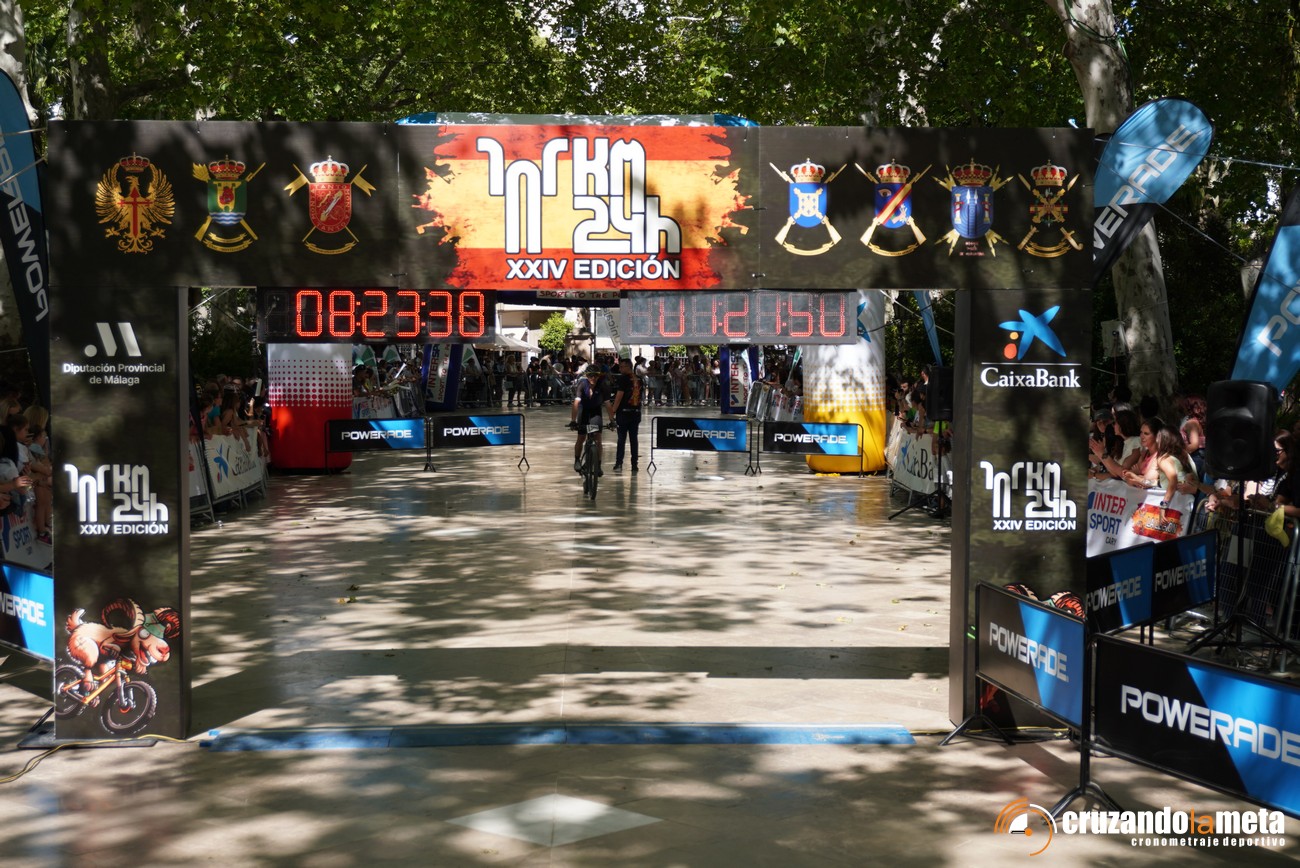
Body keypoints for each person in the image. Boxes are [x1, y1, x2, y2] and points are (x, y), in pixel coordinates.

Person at [568, 365, 607, 475]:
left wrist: (612, 420)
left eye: (595, 376)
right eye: (590, 376)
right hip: (584, 411)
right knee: (581, 437)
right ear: (586, 376)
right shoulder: (582, 384)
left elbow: (608, 404)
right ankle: (577, 460)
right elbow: (576, 403)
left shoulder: (602, 385)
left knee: (598, 438)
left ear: (599, 376)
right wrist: (573, 420)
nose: (593, 378)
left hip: (596, 412)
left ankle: (598, 465)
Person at [610, 358, 643, 472]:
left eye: (621, 367)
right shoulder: (639, 379)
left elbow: (619, 396)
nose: (620, 369)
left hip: (623, 413)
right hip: (636, 412)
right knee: (634, 439)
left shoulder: (623, 379)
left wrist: (613, 411)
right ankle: (634, 464)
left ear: (628, 367)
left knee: (621, 439)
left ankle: (619, 463)